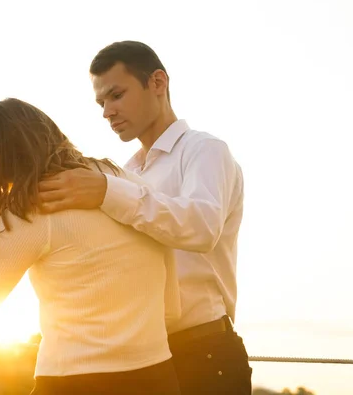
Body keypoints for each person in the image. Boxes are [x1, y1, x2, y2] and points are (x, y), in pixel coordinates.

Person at [38, 40, 252, 394]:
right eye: (101, 103)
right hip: (141, 361)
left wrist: (106, 192)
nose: (107, 111)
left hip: (205, 354)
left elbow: (201, 227)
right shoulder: (123, 172)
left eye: (116, 95)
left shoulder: (205, 150)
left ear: (157, 83)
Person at [0, 97, 182, 394]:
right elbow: (172, 310)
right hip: (159, 379)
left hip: (73, 383)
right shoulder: (133, 185)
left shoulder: (30, 209)